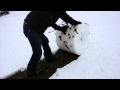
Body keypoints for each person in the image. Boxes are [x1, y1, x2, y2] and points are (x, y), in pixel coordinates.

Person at [23, 11, 81, 77]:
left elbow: (50, 21)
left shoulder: (49, 13)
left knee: (45, 41)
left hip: (35, 27)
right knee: (37, 52)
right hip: (30, 28)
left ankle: (48, 58)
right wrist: (75, 23)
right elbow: (65, 17)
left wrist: (60, 28)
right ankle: (31, 71)